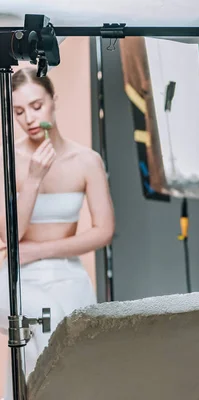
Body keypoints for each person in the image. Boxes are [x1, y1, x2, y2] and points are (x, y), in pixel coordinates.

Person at [0, 67, 115, 398]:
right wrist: (34, 178)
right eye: (18, 112)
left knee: (76, 359)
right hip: (20, 278)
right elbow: (10, 237)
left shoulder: (86, 160)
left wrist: (40, 250)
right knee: (33, 350)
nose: (29, 119)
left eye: (37, 106)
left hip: (68, 273)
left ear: (53, 101)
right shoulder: (8, 160)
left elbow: (104, 231)